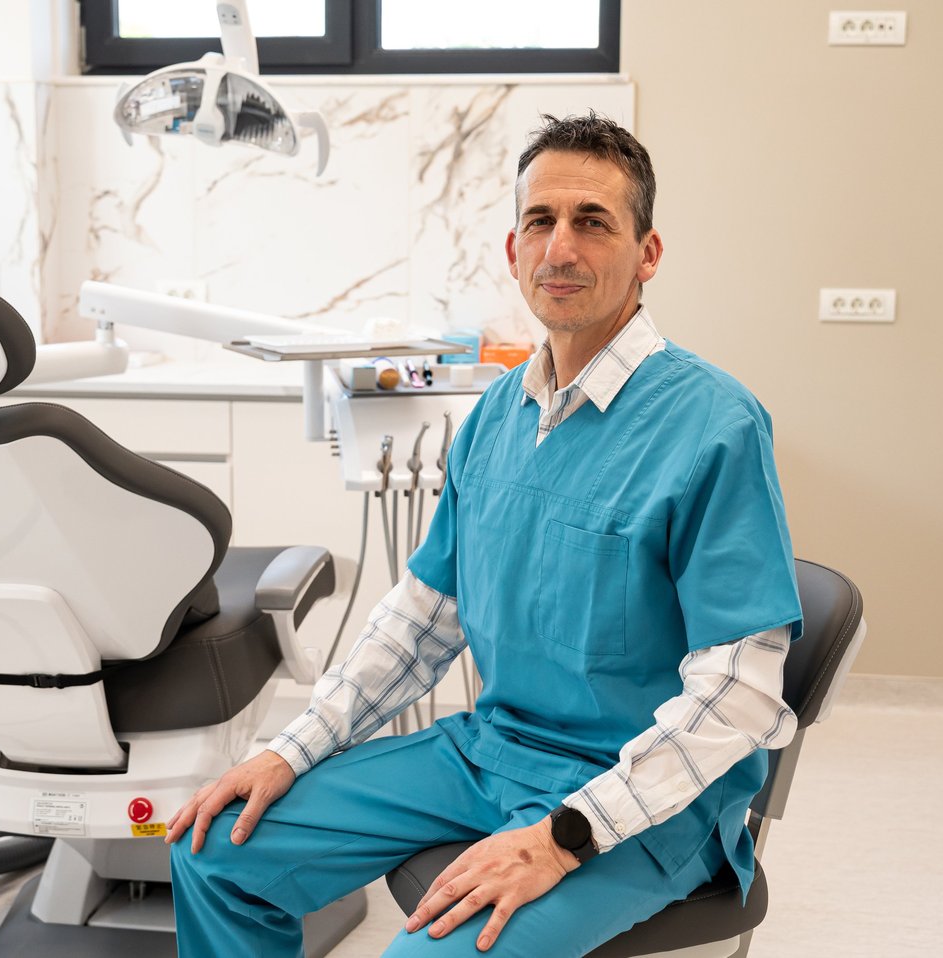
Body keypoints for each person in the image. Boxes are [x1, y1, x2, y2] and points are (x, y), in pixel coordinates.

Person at [165, 112, 803, 958]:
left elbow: (739, 695)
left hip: (637, 798)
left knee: (434, 951)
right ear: (512, 250)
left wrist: (562, 838)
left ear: (648, 254)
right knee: (212, 849)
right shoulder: (497, 414)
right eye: (539, 222)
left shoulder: (715, 426)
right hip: (489, 752)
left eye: (592, 222)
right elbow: (423, 618)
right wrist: (290, 750)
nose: (560, 249)